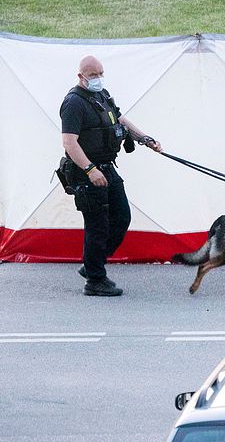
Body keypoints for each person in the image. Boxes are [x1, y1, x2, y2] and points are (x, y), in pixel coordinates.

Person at [59, 55, 162, 296]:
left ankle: (92, 263)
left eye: (100, 73)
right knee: (97, 225)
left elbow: (120, 119)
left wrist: (145, 138)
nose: (98, 79)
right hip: (88, 173)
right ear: (81, 76)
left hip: (107, 167)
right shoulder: (73, 103)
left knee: (122, 217)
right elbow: (69, 142)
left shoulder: (101, 96)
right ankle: (95, 280)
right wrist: (90, 169)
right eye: (93, 75)